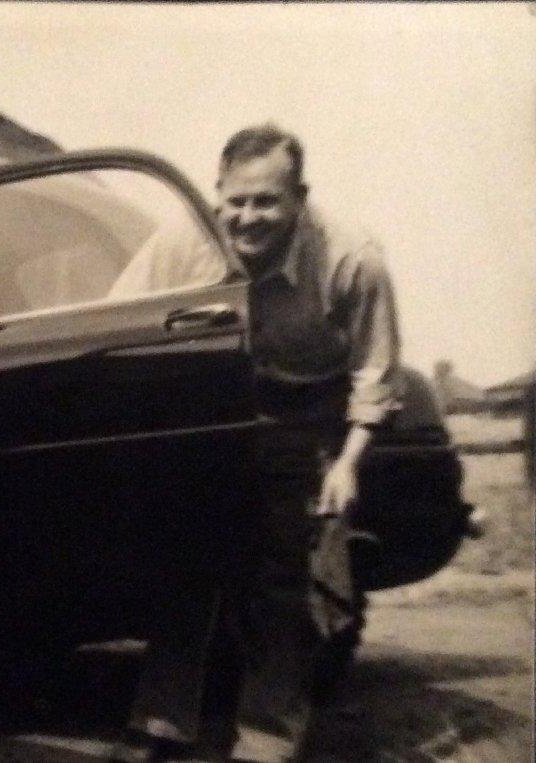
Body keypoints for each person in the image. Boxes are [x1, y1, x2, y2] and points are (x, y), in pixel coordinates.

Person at [111, 124, 402, 763]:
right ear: (216, 194)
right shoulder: (185, 239)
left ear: (299, 196)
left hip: (305, 415)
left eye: (267, 201)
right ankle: (162, 725)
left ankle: (266, 739)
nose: (248, 217)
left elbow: (374, 369)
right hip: (214, 411)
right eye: (236, 200)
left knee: (284, 584)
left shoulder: (352, 257)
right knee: (188, 561)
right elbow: (116, 319)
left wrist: (349, 460)